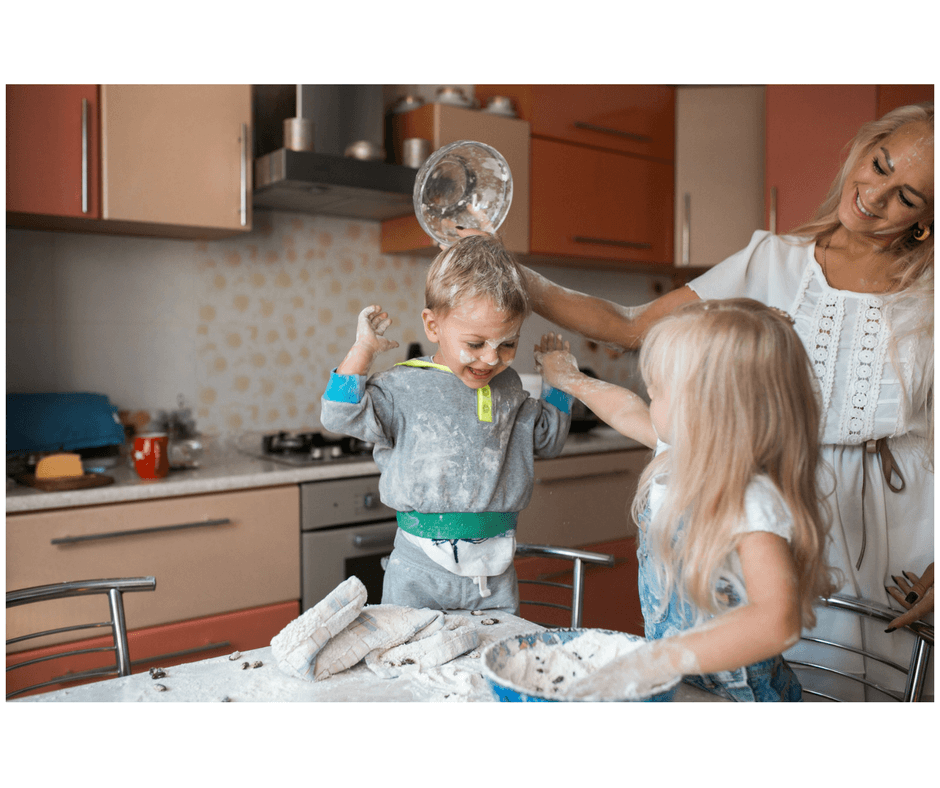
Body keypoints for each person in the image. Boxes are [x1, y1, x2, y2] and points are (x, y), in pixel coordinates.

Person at [519, 102, 934, 699]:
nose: (875, 194)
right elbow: (632, 325)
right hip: (796, 486)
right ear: (864, 148)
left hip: (909, 529)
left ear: (924, 220)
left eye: (907, 196)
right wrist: (522, 281)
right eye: (879, 165)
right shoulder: (771, 262)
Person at [536, 298, 836, 701]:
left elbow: (777, 621)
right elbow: (626, 410)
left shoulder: (748, 498)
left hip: (739, 698)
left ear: (706, 409)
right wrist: (569, 378)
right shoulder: (678, 451)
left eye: (657, 392)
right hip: (688, 686)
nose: (648, 399)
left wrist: (657, 660)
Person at [319, 234, 574, 613]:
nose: (490, 359)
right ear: (433, 326)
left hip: (495, 572)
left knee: (491, 665)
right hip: (419, 569)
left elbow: (548, 439)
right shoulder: (402, 385)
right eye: (475, 344)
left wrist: (559, 380)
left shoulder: (508, 387)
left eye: (507, 344)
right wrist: (363, 351)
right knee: (410, 664)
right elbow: (337, 413)